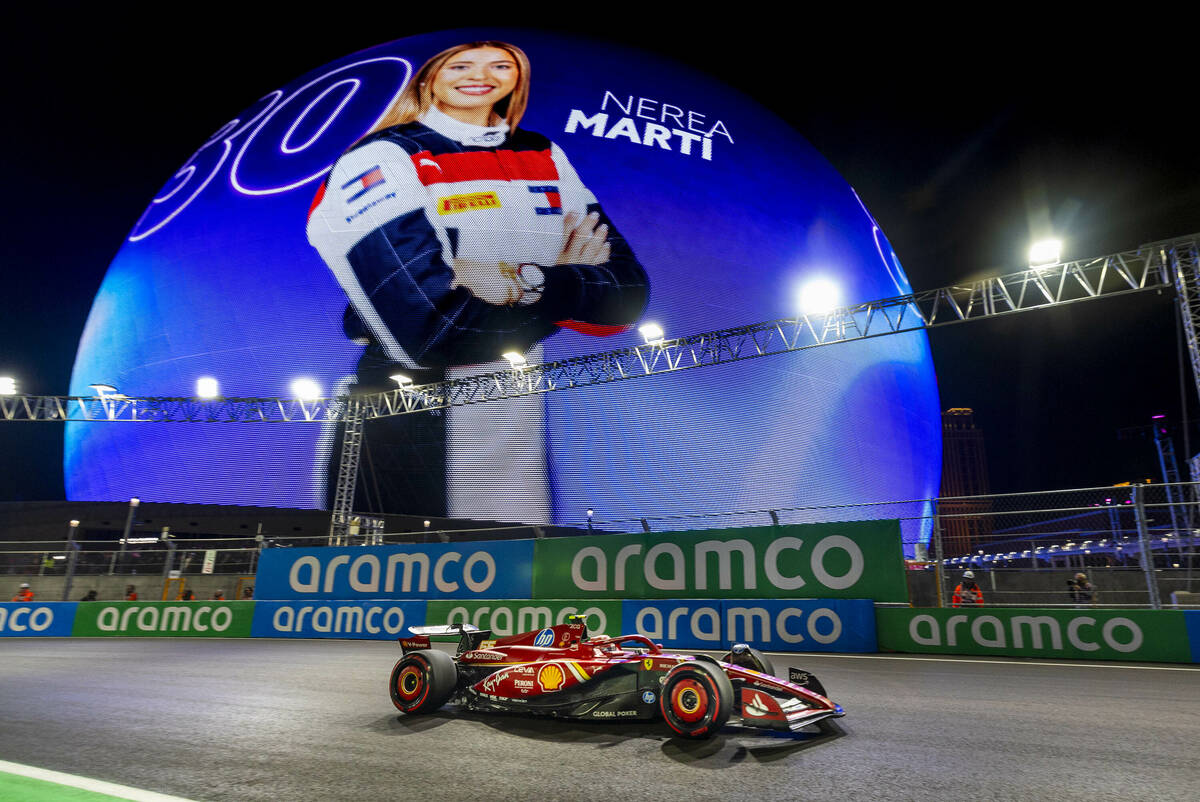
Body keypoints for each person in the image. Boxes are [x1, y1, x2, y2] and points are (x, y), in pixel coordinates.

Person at [307, 41, 649, 522]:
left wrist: (521, 281)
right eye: (461, 64)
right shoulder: (382, 157)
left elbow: (625, 298)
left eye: (500, 65)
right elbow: (433, 334)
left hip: (515, 422)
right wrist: (566, 287)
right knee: (405, 585)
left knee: (516, 585)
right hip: (405, 419)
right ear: (428, 76)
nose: (480, 76)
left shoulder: (543, 153)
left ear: (518, 76)